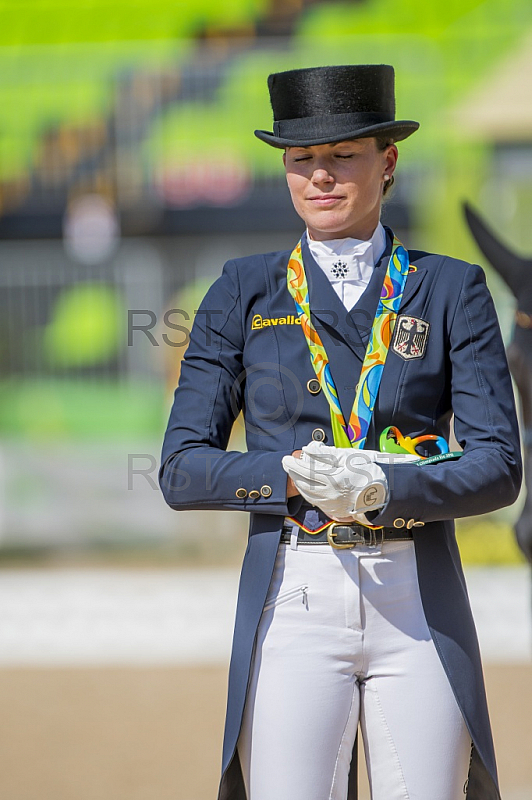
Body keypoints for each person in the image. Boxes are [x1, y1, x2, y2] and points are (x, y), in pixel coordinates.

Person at [159, 65, 522, 800]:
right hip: (295, 591)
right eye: (302, 160)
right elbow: (182, 468)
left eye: (343, 156)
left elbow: (500, 465)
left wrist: (390, 487)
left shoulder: (452, 289)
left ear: (386, 163)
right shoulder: (242, 289)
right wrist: (288, 477)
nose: (320, 176)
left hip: (414, 594)